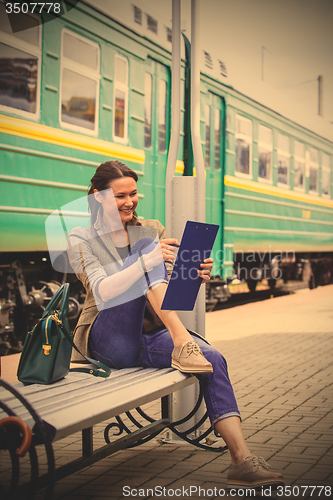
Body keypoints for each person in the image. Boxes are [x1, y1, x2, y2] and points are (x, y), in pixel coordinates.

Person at [67, 160, 284, 489]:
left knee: (214, 359)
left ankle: (242, 460)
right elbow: (101, 289)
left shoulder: (151, 227)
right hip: (106, 340)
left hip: (149, 336)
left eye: (134, 194)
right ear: (98, 197)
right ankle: (184, 342)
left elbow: (170, 289)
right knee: (145, 249)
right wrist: (146, 260)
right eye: (120, 196)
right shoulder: (80, 237)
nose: (129, 202)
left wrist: (195, 275)